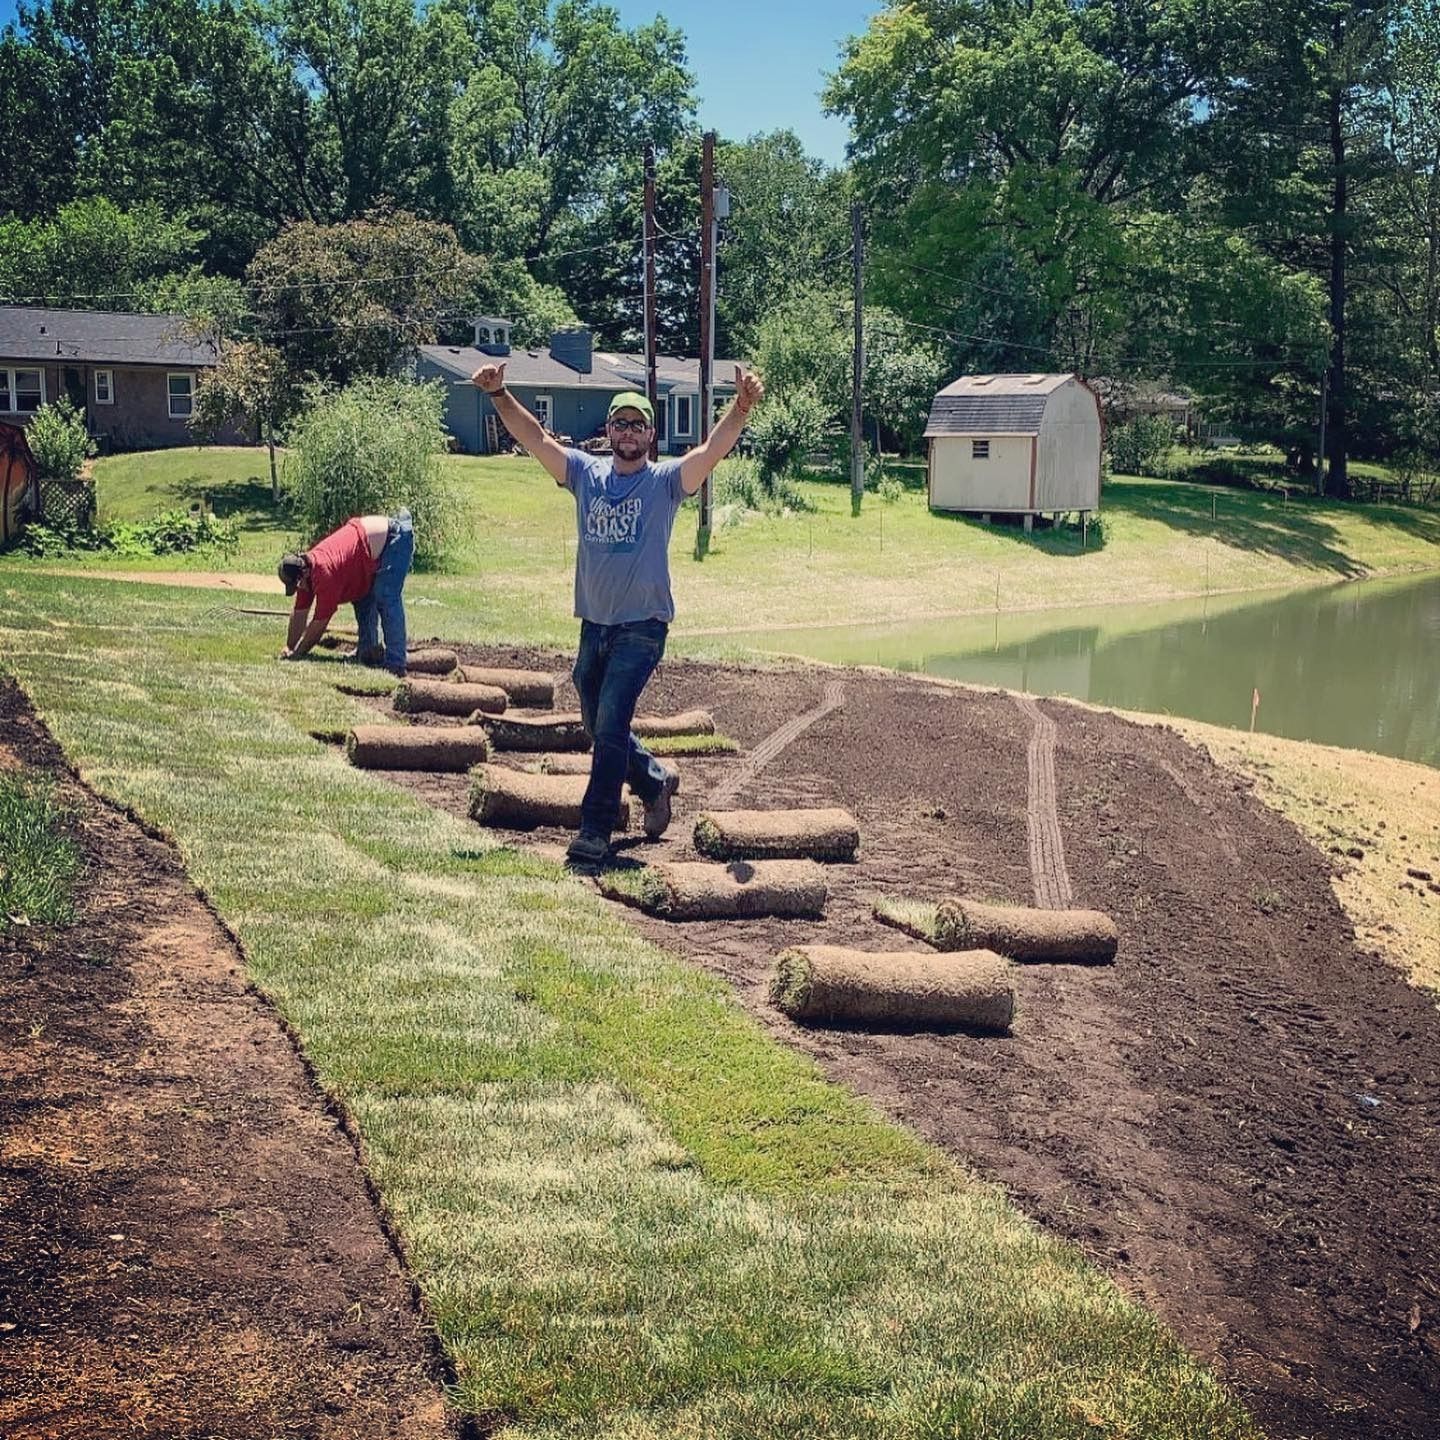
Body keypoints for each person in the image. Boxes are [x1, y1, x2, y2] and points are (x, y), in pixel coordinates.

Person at [471, 364, 765, 865]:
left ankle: (595, 828)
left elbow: (709, 452)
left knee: (609, 724)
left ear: (651, 433)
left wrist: (740, 407)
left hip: (643, 627)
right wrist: (498, 394)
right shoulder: (586, 474)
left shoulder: (666, 482)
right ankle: (653, 780)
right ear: (608, 432)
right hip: (595, 624)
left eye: (637, 424)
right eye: (619, 424)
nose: (628, 433)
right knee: (596, 721)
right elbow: (536, 437)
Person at [278, 509, 414, 675]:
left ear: (302, 575)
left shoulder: (324, 573)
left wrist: (299, 653)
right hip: (367, 549)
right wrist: (289, 647)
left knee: (386, 596)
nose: (299, 590)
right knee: (362, 597)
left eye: (297, 585)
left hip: (394, 538)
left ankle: (396, 663)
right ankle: (368, 652)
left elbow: (319, 624)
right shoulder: (305, 569)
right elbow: (299, 613)